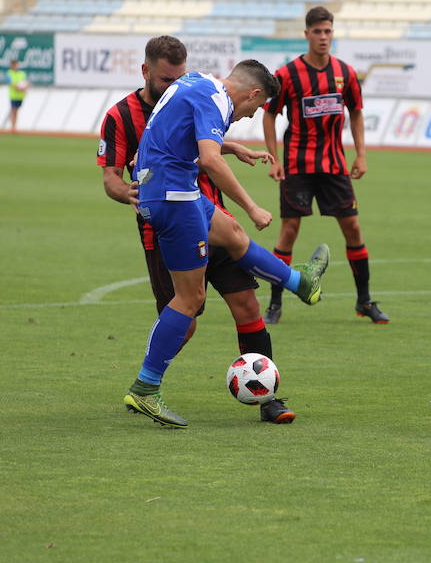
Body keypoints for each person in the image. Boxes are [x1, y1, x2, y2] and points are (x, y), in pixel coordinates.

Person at [99, 36, 300, 425]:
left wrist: (233, 147)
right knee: (186, 314)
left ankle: (268, 396)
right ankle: (146, 384)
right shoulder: (122, 115)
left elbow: (201, 141)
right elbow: (111, 176)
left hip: (203, 210)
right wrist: (130, 193)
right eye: (163, 78)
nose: (169, 84)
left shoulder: (192, 89)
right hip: (170, 217)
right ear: (146, 72)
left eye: (176, 76)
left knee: (246, 302)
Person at [262, 6, 388, 325]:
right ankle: (275, 303)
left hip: (334, 166)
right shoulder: (287, 74)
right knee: (289, 231)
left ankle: (364, 301)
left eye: (327, 31)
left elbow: (357, 112)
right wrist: (274, 158)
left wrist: (361, 154)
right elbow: (269, 113)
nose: (323, 37)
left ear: (333, 33)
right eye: (317, 31)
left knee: (353, 228)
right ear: (306, 35)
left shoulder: (345, 73)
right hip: (297, 165)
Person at [7, 59, 28, 132]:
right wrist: (20, 87)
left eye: (17, 65)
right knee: (14, 110)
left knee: (16, 111)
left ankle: (14, 126)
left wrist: (25, 88)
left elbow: (25, 82)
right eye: (15, 65)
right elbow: (11, 83)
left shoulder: (22, 73)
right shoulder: (9, 73)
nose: (16, 66)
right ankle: (13, 127)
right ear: (12, 66)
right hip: (13, 96)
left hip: (20, 96)